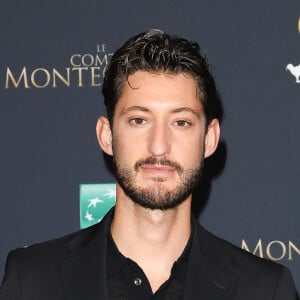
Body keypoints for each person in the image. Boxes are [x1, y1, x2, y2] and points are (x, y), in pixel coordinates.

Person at [0, 29, 298, 300]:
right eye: (139, 120)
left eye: (181, 122)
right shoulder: (32, 281)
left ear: (209, 139)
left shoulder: (263, 289)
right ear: (107, 135)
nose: (159, 146)